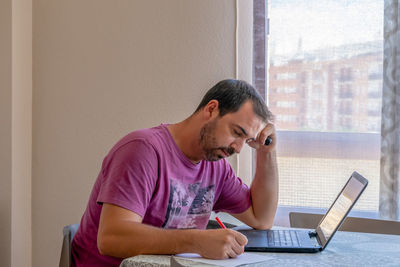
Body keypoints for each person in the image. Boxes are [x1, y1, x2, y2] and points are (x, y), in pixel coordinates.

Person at [71, 79, 279, 266]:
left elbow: (261, 219)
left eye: (247, 140)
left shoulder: (217, 165)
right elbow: (111, 238)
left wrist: (266, 152)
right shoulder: (142, 150)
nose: (238, 148)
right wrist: (197, 241)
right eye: (236, 133)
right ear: (212, 109)